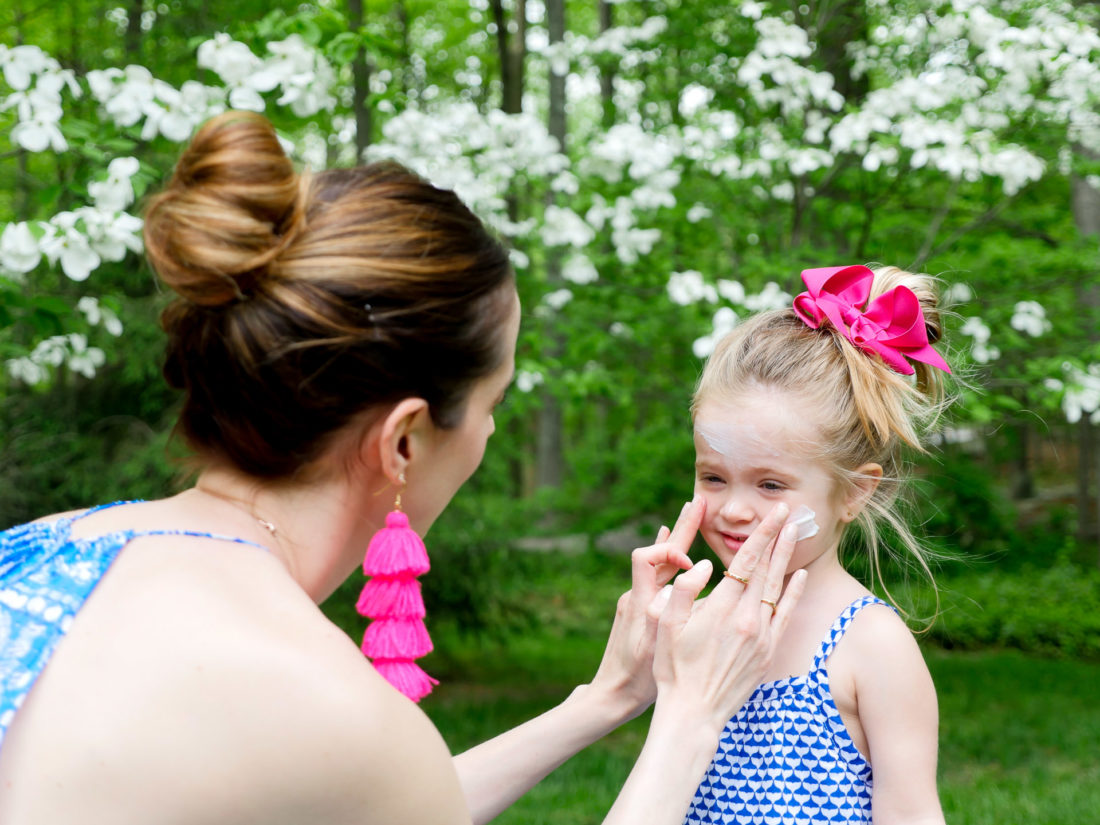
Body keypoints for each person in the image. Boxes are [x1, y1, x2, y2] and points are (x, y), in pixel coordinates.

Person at [0, 111, 807, 825]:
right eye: (493, 401)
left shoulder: (38, 548)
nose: (491, 431)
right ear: (406, 440)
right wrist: (694, 713)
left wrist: (606, 699)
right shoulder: (333, 709)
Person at [682, 264, 950, 825]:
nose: (732, 508)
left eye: (770, 484)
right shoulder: (703, 624)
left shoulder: (871, 644)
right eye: (713, 477)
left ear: (853, 492)